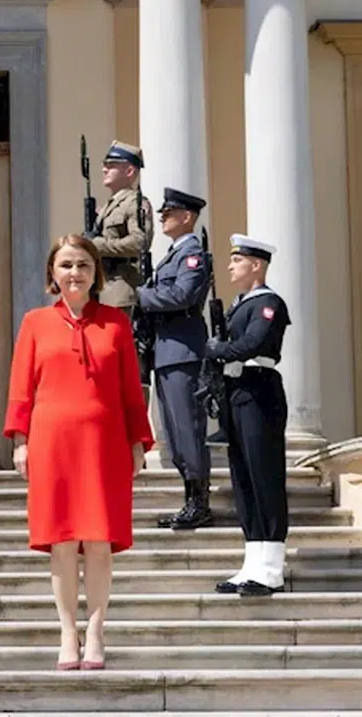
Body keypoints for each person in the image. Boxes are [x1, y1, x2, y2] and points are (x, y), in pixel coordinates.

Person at [3, 234, 154, 671]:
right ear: (53, 272)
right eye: (66, 264)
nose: (75, 273)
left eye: (83, 265)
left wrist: (137, 442)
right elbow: (20, 386)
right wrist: (21, 440)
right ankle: (68, 631)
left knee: (99, 542)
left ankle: (97, 632)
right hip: (52, 442)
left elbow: (130, 388)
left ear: (96, 273)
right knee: (63, 543)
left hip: (104, 441)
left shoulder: (116, 324)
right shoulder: (34, 322)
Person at [203, 234, 291, 597]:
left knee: (264, 477)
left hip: (259, 389)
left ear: (256, 265)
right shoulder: (239, 305)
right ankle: (253, 564)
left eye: (237, 260)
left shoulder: (268, 303)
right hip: (238, 392)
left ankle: (271, 569)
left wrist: (217, 349)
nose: (230, 266)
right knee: (244, 480)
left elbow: (253, 343)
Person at [135, 188, 212, 530]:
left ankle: (199, 502)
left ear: (187, 217)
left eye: (170, 213)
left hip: (183, 352)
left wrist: (139, 294)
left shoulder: (193, 254)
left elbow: (182, 295)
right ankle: (190, 500)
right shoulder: (172, 254)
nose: (163, 217)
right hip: (167, 352)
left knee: (187, 430)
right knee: (175, 432)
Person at [89, 142, 153, 318]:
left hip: (120, 290)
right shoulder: (108, 206)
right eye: (105, 165)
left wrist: (98, 245)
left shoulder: (135, 203)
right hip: (101, 286)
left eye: (111, 165)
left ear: (130, 171)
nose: (104, 170)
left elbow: (140, 242)